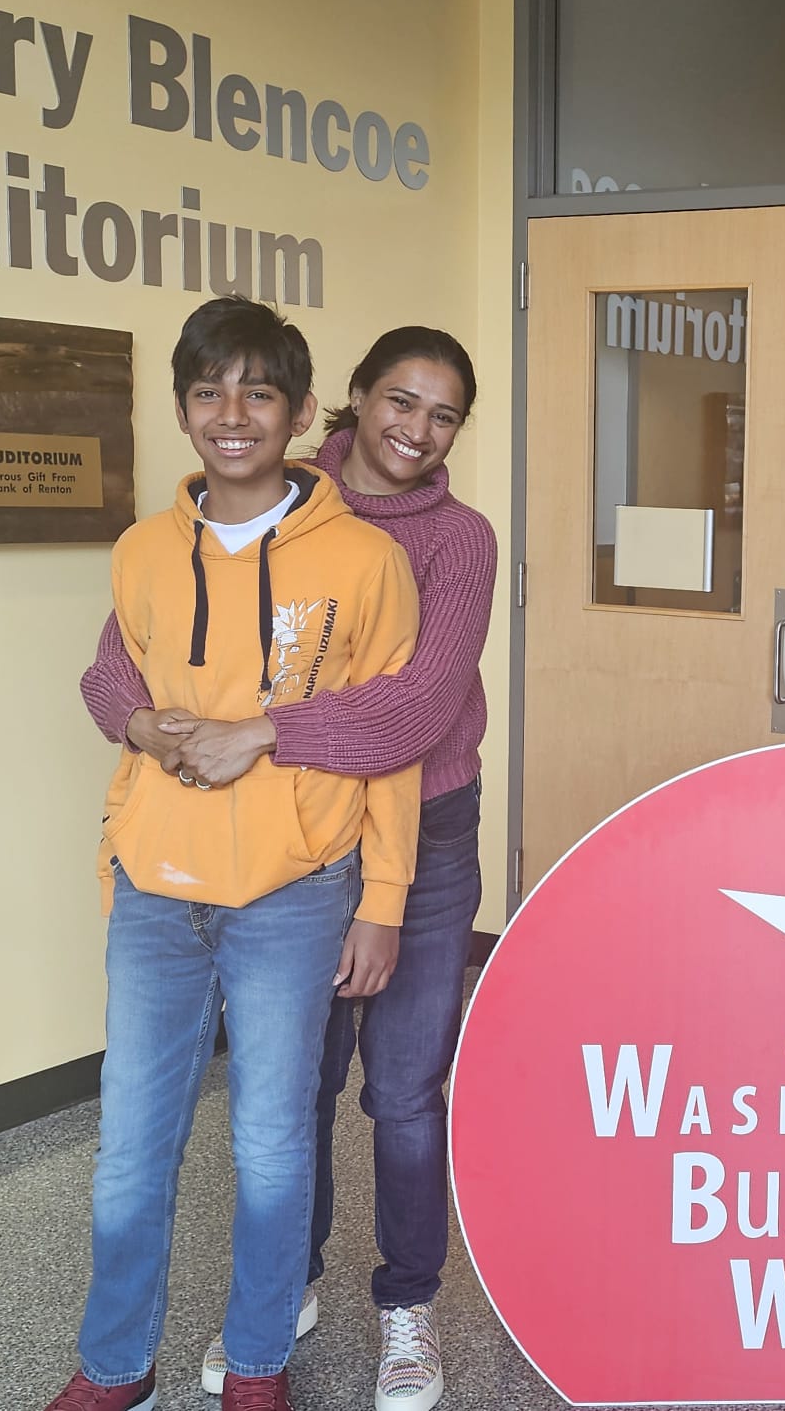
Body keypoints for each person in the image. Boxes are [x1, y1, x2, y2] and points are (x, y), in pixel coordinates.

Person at [81, 326, 496, 1411]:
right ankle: (270, 1305)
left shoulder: (437, 544)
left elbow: (409, 715)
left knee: (397, 1091)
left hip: (402, 831)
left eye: (441, 415)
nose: (416, 429)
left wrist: (256, 734)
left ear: (296, 407)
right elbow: (116, 668)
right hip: (188, 865)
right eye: (399, 403)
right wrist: (142, 727)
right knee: (282, 1100)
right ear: (347, 406)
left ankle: (404, 1305)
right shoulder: (183, 529)